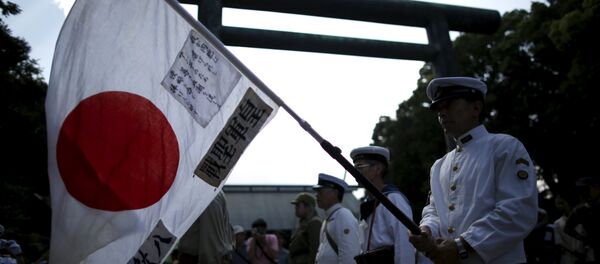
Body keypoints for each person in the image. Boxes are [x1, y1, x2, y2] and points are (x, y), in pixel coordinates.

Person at [409, 77, 538, 263]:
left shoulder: (504, 147)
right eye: (438, 109)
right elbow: (435, 212)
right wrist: (427, 230)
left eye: (449, 105)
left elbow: (518, 210)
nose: (442, 113)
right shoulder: (439, 166)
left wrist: (462, 245)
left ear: (476, 108)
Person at [350, 146, 416, 264]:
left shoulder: (393, 199)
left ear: (378, 169)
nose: (355, 172)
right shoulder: (368, 202)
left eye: (359, 167)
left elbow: (404, 243)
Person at [313, 173, 361, 264]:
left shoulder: (343, 216)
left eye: (320, 191)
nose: (317, 195)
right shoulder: (329, 219)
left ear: (335, 193)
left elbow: (349, 256)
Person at [178, 190, 234, 264]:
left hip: (196, 258)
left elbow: (211, 244)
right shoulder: (204, 191)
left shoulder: (207, 193)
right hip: (195, 257)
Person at [564, 176, 600, 263]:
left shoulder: (580, 210)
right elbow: (567, 229)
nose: (586, 192)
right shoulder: (580, 210)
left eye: (589, 188)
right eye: (583, 190)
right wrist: (585, 239)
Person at [288, 192, 322, 264]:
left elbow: (315, 251)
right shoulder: (303, 223)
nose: (295, 208)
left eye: (298, 205)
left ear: (308, 206)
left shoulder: (314, 223)